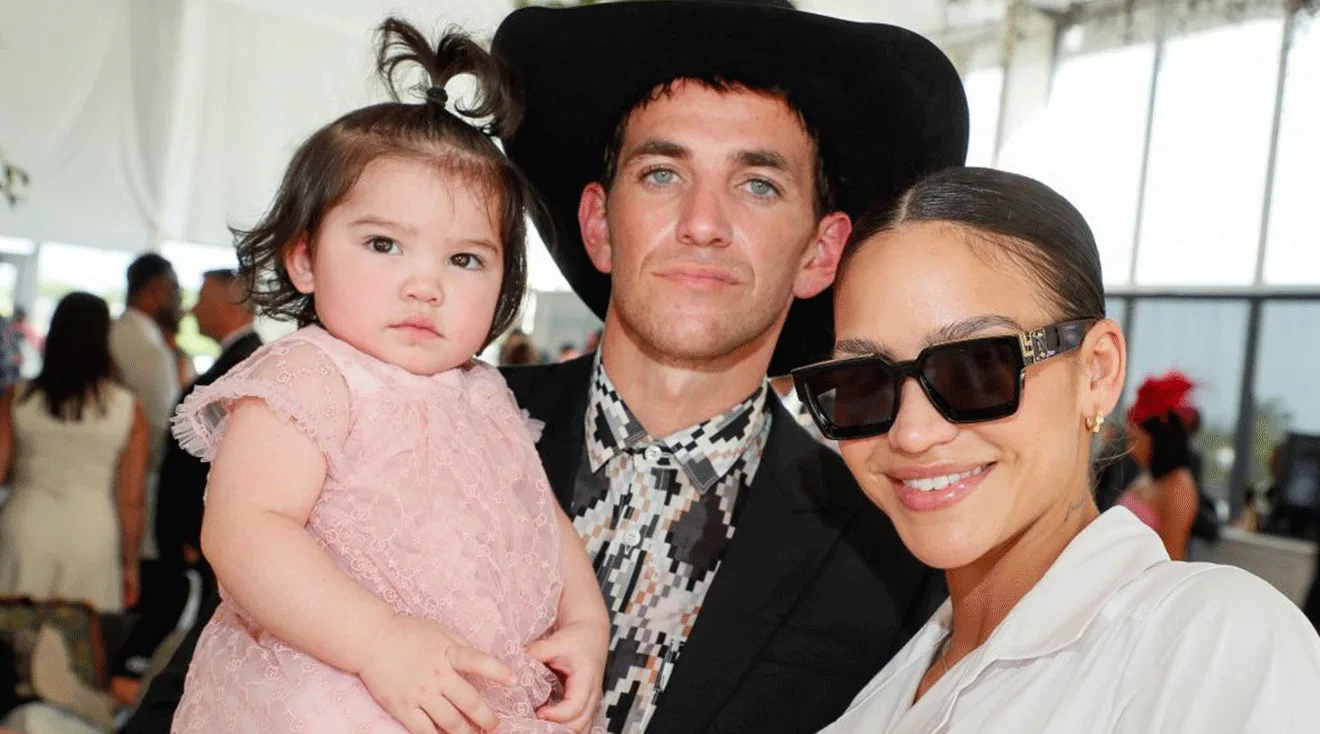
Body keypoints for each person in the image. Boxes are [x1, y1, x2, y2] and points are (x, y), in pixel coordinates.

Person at [126, 2, 968, 732]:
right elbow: (216, 681)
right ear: (597, 225)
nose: (703, 223)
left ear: (822, 251)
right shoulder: (393, 416)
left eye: (758, 186)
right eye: (662, 173)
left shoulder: (889, 554)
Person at [158, 20, 609, 734]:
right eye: (383, 244)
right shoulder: (311, 375)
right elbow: (245, 531)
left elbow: (542, 523)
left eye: (464, 259)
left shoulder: (485, 393)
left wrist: (586, 624)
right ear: (304, 258)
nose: (424, 285)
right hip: (321, 699)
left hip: (471, 701)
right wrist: (377, 641)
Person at [791, 167, 1320, 733]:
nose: (912, 434)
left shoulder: (1211, 644)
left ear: (1097, 372)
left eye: (976, 370)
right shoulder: (893, 682)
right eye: (863, 384)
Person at [109, 268, 264, 701]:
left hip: (202, 541)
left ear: (230, 305)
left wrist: (196, 532)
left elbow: (220, 464)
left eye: (202, 299)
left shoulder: (246, 367)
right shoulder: (236, 362)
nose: (193, 309)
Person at [0, 292, 149, 612]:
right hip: (91, 531)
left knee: (13, 632)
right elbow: (131, 499)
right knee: (80, 635)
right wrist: (130, 563)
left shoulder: (19, 397)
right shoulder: (127, 408)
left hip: (25, 525)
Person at [109, 253, 182, 572]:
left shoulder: (114, 331)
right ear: (154, 289)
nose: (180, 300)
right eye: (174, 289)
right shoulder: (148, 348)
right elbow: (160, 428)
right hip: (136, 489)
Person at [1117, 371, 1201, 560]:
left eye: (1134, 439)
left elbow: (1173, 557)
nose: (1130, 449)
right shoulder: (1150, 476)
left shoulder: (1178, 487)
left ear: (1157, 438)